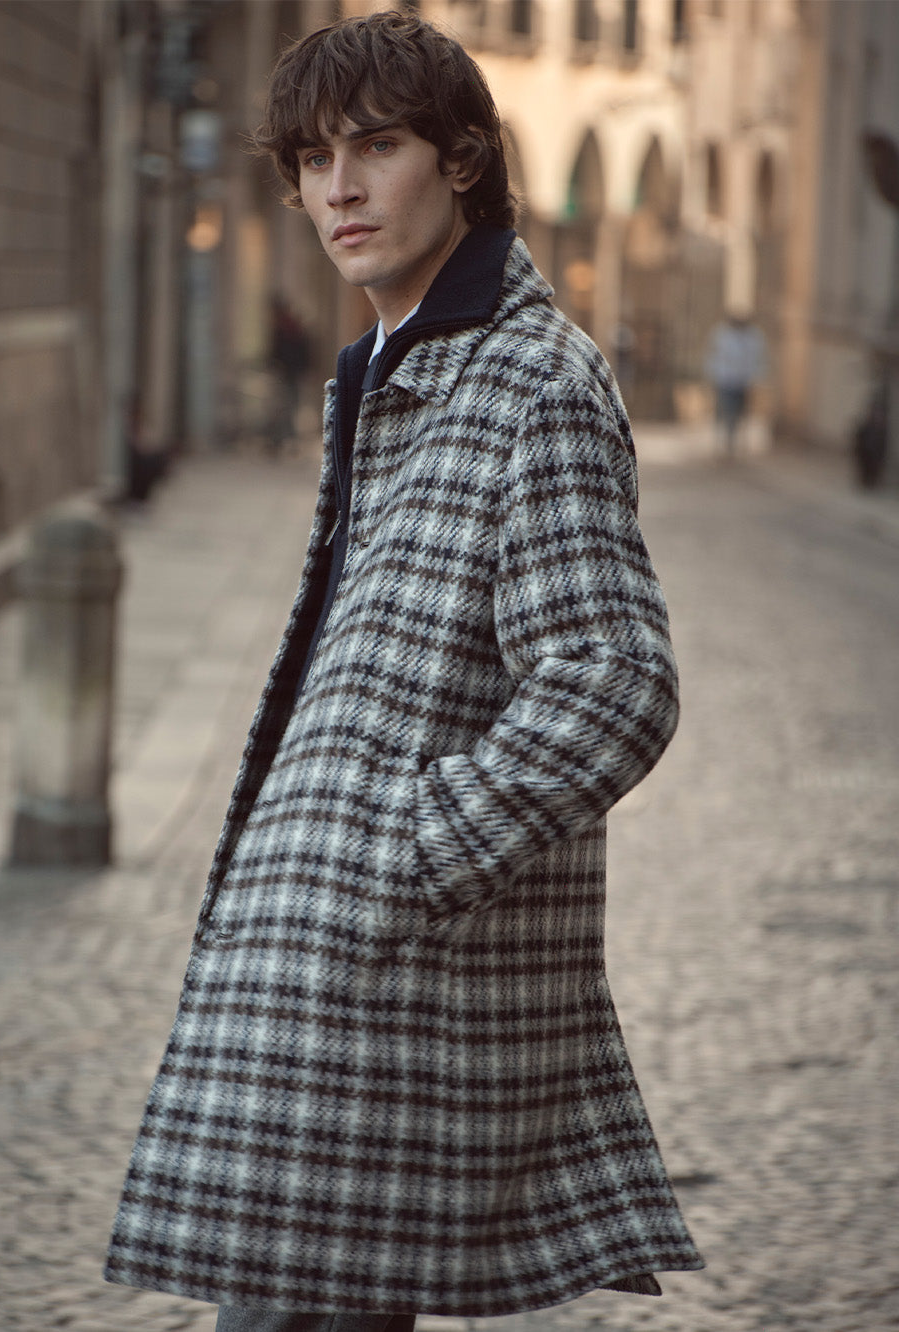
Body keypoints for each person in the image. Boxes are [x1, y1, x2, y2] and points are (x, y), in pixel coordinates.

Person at [104, 12, 703, 1329]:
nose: (342, 189)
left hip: (385, 983)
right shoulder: (391, 367)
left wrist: (404, 855)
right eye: (315, 159)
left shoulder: (532, 380)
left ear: (467, 163)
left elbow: (613, 684)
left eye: (378, 147)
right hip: (338, 982)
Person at [706, 310, 767, 456]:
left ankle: (734, 443)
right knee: (725, 412)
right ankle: (724, 443)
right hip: (725, 379)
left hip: (743, 381)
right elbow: (714, 356)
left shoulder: (753, 336)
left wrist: (756, 378)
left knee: (739, 414)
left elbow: (757, 359)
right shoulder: (722, 334)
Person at [267, 294, 312, 456]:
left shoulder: (285, 328)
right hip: (290, 372)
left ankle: (284, 440)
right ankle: (285, 439)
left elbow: (279, 352)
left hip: (287, 373)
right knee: (288, 406)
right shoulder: (291, 327)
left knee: (286, 406)